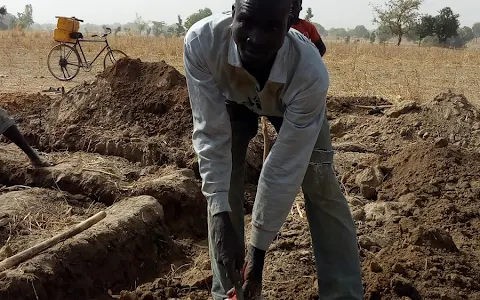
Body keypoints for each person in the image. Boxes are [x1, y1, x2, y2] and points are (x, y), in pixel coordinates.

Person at [183, 0, 363, 299]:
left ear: (290, 21)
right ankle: (228, 291)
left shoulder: (309, 71)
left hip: (291, 103)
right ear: (233, 12)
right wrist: (218, 214)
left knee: (320, 182)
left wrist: (258, 251)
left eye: (272, 27)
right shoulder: (203, 42)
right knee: (223, 185)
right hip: (233, 99)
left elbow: (283, 168)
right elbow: (210, 135)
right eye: (247, 22)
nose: (257, 38)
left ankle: (342, 292)